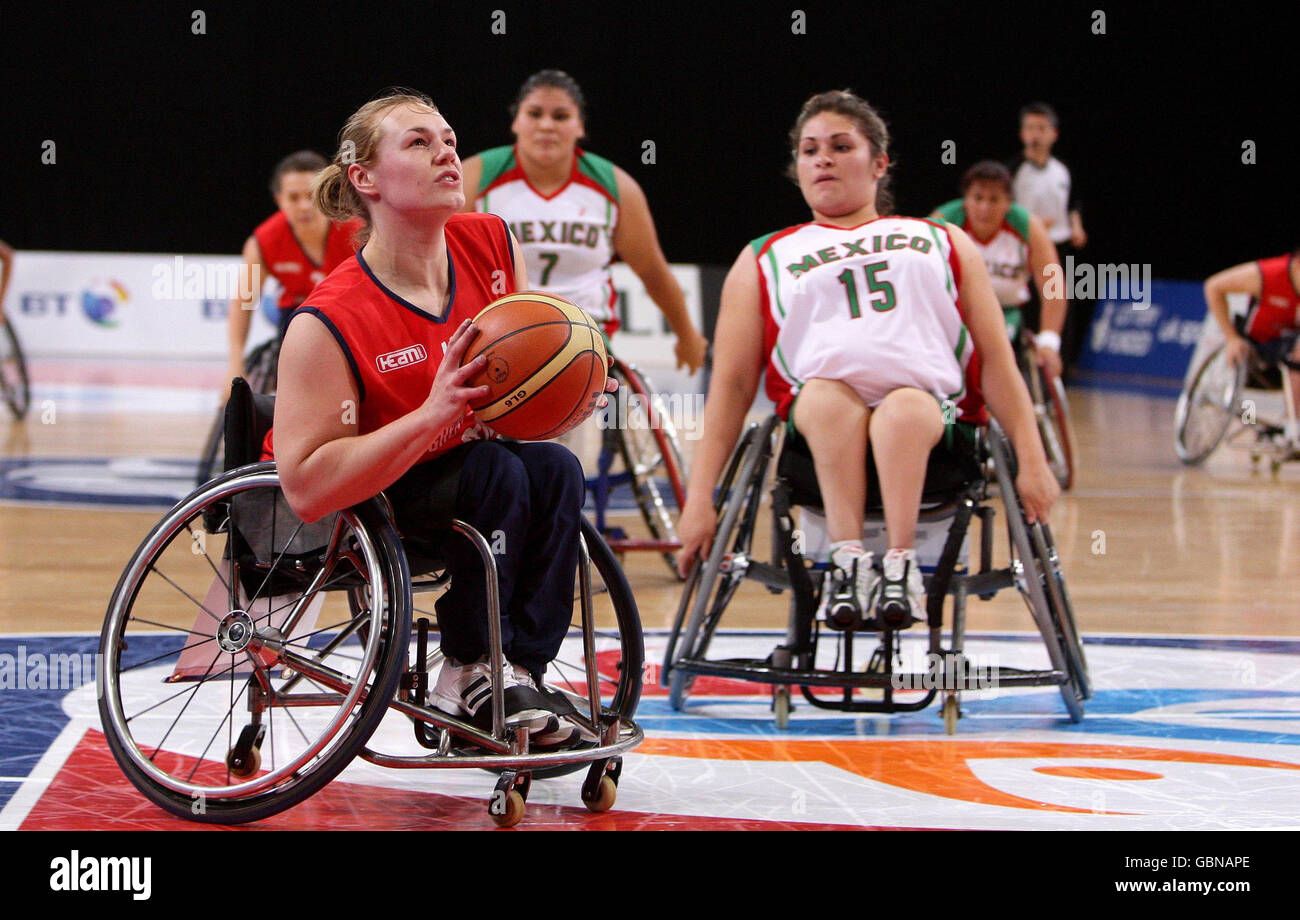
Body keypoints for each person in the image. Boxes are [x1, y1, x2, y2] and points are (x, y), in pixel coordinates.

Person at [271, 90, 612, 746]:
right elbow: (307, 486)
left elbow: (507, 388)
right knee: (497, 474)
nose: (446, 152)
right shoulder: (329, 318)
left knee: (554, 466)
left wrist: (560, 392)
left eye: (449, 139)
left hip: (464, 469)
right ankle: (465, 666)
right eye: (419, 142)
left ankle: (520, 669)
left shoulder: (487, 242)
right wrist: (433, 414)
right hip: (372, 493)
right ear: (364, 179)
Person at [676, 90, 1058, 629]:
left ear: (880, 163)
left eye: (839, 146)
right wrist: (699, 500)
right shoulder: (764, 255)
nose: (822, 158)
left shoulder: (939, 239)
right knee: (828, 398)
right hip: (817, 428)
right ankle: (848, 561)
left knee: (903, 409)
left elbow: (996, 359)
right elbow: (733, 387)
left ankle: (900, 566)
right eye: (809, 150)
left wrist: (1033, 460)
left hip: (934, 422)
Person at [460, 69, 708, 373]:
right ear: (516, 122)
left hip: (585, 337)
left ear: (580, 126)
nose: (547, 125)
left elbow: (652, 271)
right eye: (534, 114)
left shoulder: (615, 186)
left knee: (593, 410)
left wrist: (687, 335)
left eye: (561, 116)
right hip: (497, 334)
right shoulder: (475, 175)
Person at [225, 151, 362, 392]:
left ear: (325, 192)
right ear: (279, 200)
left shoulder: (359, 231)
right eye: (294, 197)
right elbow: (243, 303)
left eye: (310, 195)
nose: (304, 206)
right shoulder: (261, 243)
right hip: (296, 319)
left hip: (351, 317)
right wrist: (235, 364)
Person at [930, 160, 1068, 380]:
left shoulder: (1029, 226)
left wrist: (1050, 341)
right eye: (978, 198)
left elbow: (1053, 286)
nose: (985, 207)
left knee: (995, 349)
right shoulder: (942, 222)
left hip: (1006, 313)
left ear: (1008, 203)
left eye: (994, 199)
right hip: (956, 314)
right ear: (965, 200)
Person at [1009, 102, 1090, 373]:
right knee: (1026, 305)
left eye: (1042, 129)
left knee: (1059, 303)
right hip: (1025, 249)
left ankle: (1059, 367)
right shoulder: (1014, 170)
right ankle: (1023, 366)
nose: (1035, 134)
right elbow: (1005, 208)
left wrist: (1076, 226)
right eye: (1030, 128)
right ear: (1022, 134)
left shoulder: (1062, 169)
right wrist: (1031, 225)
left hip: (1059, 247)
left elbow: (1072, 204)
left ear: (1053, 134)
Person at [1203, 248, 1300, 449]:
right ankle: (1295, 427)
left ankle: (1290, 423)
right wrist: (1231, 338)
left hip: (1292, 352)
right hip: (1258, 349)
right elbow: (1213, 286)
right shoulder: (1269, 273)